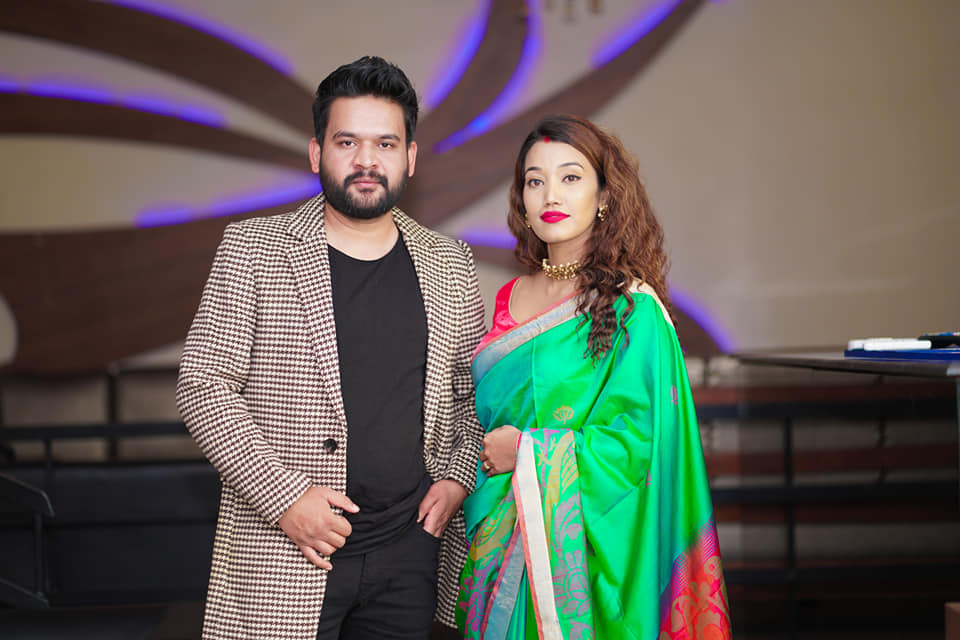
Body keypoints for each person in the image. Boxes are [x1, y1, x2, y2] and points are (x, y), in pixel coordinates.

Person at [177, 56, 486, 640]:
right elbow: (202, 386)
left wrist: (456, 479)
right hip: (285, 547)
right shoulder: (253, 248)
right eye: (348, 142)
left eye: (385, 144)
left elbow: (472, 397)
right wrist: (286, 499)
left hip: (408, 554)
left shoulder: (450, 262)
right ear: (317, 153)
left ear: (410, 157)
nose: (367, 160)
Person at [455, 114, 730, 639]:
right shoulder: (509, 298)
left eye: (570, 177)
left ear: (604, 196)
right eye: (535, 180)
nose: (550, 195)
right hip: (501, 541)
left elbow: (638, 445)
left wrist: (528, 453)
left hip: (589, 559)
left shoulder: (634, 311)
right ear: (521, 200)